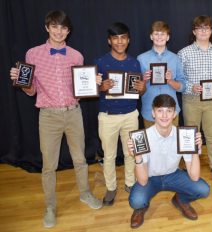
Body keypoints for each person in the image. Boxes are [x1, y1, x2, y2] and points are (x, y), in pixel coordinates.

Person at [10, 10, 102, 228]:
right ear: (47, 27)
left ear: (68, 31)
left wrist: (93, 83)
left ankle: (85, 193)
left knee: (80, 158)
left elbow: (79, 89)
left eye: (63, 28)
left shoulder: (76, 56)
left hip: (73, 112)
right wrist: (21, 81)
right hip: (48, 116)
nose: (59, 31)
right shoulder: (33, 54)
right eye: (55, 26)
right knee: (49, 165)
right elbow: (31, 91)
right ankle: (50, 206)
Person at [127, 94, 210, 229]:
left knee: (203, 189)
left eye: (169, 111)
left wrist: (195, 150)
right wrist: (137, 156)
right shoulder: (143, 137)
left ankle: (180, 200)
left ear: (174, 114)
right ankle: (142, 206)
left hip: (173, 175)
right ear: (153, 113)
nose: (164, 115)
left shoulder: (184, 136)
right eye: (160, 110)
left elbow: (194, 176)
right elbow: (142, 181)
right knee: (136, 201)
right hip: (151, 178)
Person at [95, 22, 146, 206]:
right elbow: (90, 89)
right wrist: (101, 87)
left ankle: (131, 183)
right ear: (109, 41)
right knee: (109, 155)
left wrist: (142, 88)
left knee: (130, 153)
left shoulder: (134, 62)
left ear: (128, 40)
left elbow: (139, 91)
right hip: (107, 116)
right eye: (115, 38)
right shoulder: (100, 62)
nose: (119, 41)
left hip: (131, 114)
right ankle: (111, 187)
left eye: (123, 37)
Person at [178, 16, 212, 182]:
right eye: (200, 28)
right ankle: (190, 163)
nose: (203, 31)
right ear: (194, 32)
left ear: (211, 31)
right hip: (191, 99)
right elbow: (179, 78)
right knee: (191, 134)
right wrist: (191, 86)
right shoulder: (184, 53)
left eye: (207, 28)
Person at [137, 21, 186, 128]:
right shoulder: (141, 59)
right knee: (151, 144)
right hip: (149, 112)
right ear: (151, 36)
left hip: (171, 112)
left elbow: (183, 87)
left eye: (163, 34)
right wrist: (144, 80)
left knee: (173, 144)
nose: (159, 37)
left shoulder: (175, 58)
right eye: (156, 34)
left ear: (168, 37)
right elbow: (137, 91)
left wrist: (170, 81)